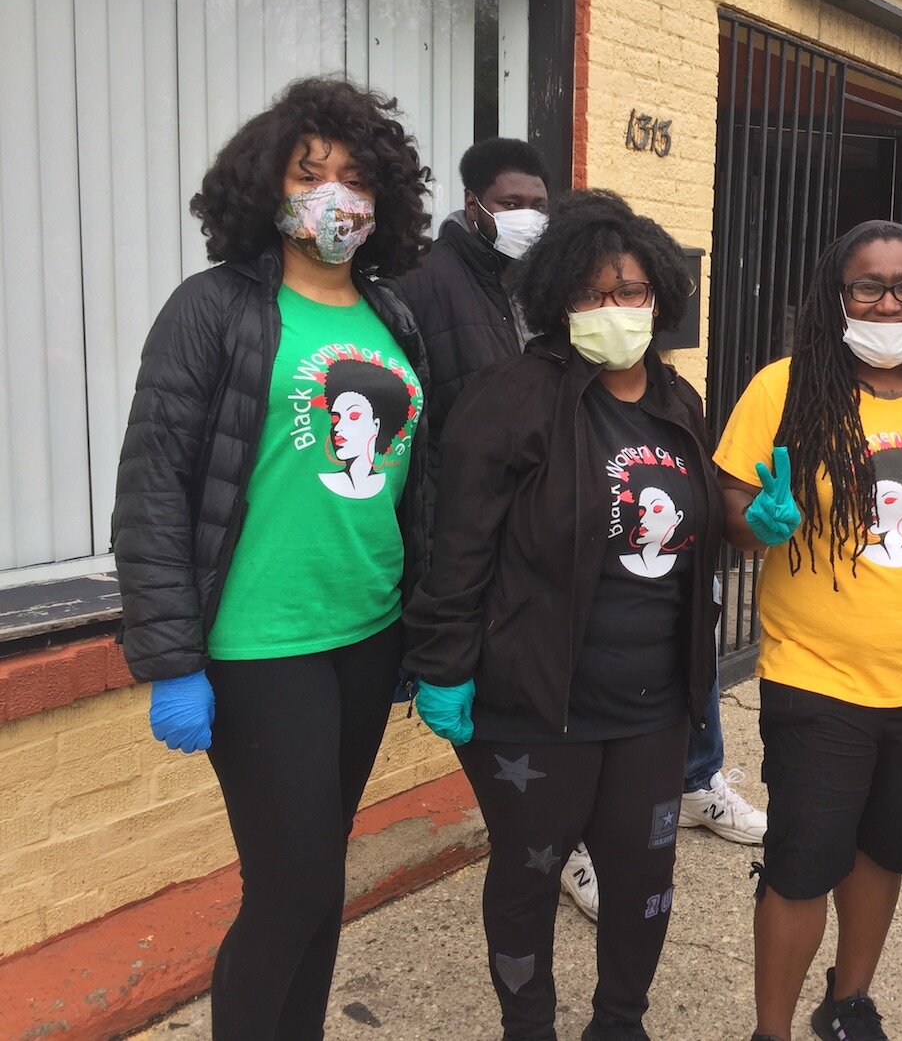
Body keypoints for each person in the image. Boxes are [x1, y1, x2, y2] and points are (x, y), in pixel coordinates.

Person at [112, 77, 432, 1039]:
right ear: (269, 187)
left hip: (364, 634)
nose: (336, 195)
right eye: (312, 173)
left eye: (356, 178)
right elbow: (155, 487)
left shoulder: (392, 316)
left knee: (319, 877)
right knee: (289, 888)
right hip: (261, 646)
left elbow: (407, 483)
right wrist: (172, 661)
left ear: (383, 203)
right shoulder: (213, 309)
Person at [389, 140, 764, 926]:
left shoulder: (678, 399)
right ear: (559, 299)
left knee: (644, 884)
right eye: (594, 295)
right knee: (528, 885)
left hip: (654, 708)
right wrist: (446, 662)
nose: (615, 308)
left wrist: (745, 527)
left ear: (659, 297)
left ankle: (621, 1020)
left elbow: (682, 538)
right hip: (540, 705)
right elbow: (461, 546)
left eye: (631, 292)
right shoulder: (509, 399)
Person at [715, 220, 902, 1041]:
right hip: (818, 675)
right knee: (804, 862)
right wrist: (755, 524)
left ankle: (848, 1002)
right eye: (867, 286)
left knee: (885, 849)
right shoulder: (787, 385)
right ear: (835, 296)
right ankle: (771, 1031)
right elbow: (731, 503)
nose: (888, 301)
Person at [390, 137, 549, 444]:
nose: (528, 218)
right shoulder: (416, 281)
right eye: (511, 205)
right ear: (472, 205)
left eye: (538, 207)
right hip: (451, 484)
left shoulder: (549, 281)